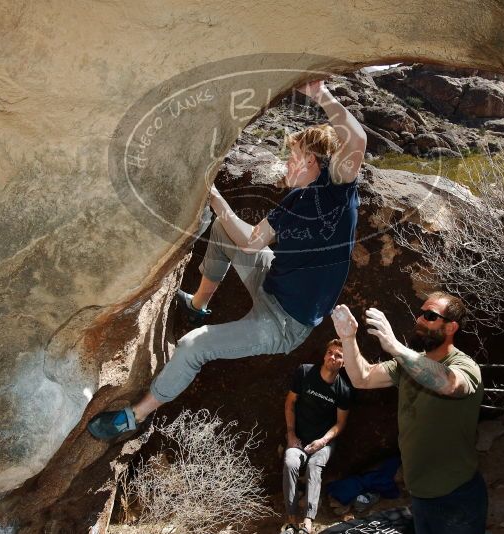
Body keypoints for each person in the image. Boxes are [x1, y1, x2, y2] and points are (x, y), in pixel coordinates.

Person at [87, 80, 367, 440]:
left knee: (193, 347)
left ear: (310, 161)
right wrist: (216, 202)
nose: (286, 162)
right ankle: (199, 304)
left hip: (284, 322)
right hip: (272, 277)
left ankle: (133, 416)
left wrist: (318, 94)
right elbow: (252, 242)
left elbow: (356, 141)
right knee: (223, 232)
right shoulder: (294, 201)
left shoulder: (336, 190)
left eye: (292, 155)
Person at [330, 292, 487, 534]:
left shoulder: (464, 365)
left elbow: (450, 384)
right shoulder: (409, 363)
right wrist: (348, 338)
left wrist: (395, 347)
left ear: (451, 327)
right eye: (421, 313)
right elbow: (362, 378)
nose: (420, 320)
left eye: (430, 316)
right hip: (420, 494)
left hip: (456, 497)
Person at [282, 339, 352, 534]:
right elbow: (290, 403)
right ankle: (291, 519)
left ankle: (308, 522)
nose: (332, 357)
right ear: (324, 355)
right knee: (290, 462)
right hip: (299, 438)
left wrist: (322, 441)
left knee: (314, 467)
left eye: (338, 355)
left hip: (323, 442)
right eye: (330, 352)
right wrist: (291, 434)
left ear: (344, 363)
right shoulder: (305, 372)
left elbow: (340, 424)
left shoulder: (343, 390)